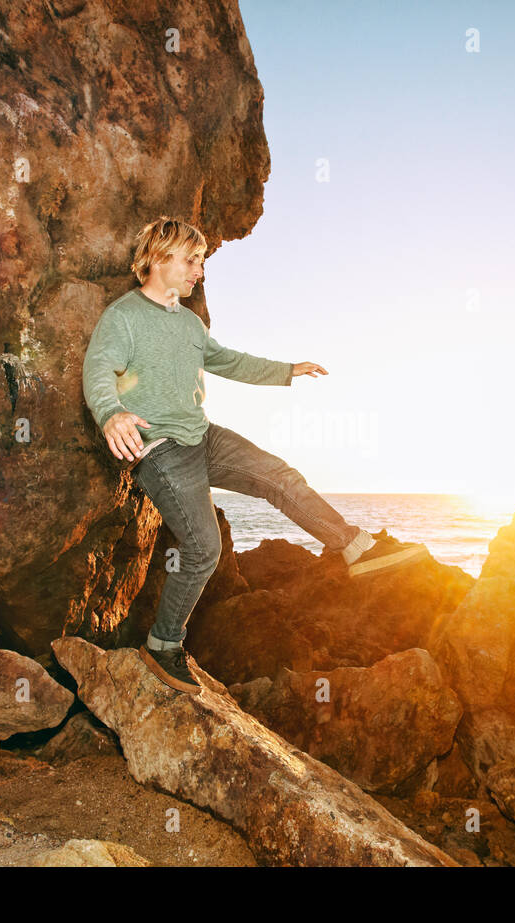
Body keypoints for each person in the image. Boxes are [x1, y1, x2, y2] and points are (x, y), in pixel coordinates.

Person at [82, 216, 427, 694]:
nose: (198, 269)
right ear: (159, 259)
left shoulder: (189, 323)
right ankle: (163, 645)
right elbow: (99, 367)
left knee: (280, 477)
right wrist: (111, 413)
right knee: (204, 549)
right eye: (191, 259)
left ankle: (353, 545)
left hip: (203, 437)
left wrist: (289, 369)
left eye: (200, 260)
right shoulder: (123, 317)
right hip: (160, 450)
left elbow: (229, 361)